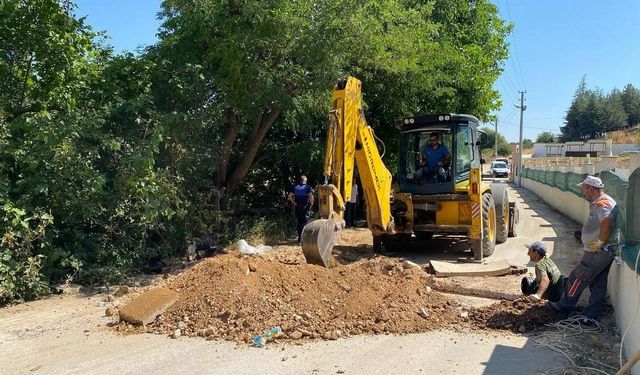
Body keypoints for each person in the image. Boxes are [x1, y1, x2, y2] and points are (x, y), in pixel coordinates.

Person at [548, 175, 617, 321]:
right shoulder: (603, 201)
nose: (583, 193)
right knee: (598, 282)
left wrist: (599, 242)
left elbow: (607, 223)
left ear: (591, 189)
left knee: (577, 278)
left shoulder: (602, 203)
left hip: (598, 252)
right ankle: (592, 313)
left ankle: (563, 306)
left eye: (585, 190)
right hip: (605, 251)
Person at [288, 175, 314, 245]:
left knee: (299, 223)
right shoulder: (307, 187)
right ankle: (304, 240)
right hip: (305, 207)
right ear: (305, 181)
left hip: (298, 207)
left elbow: (290, 195)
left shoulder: (295, 187)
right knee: (306, 222)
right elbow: (311, 197)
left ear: (300, 180)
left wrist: (294, 203)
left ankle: (299, 240)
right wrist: (311, 204)